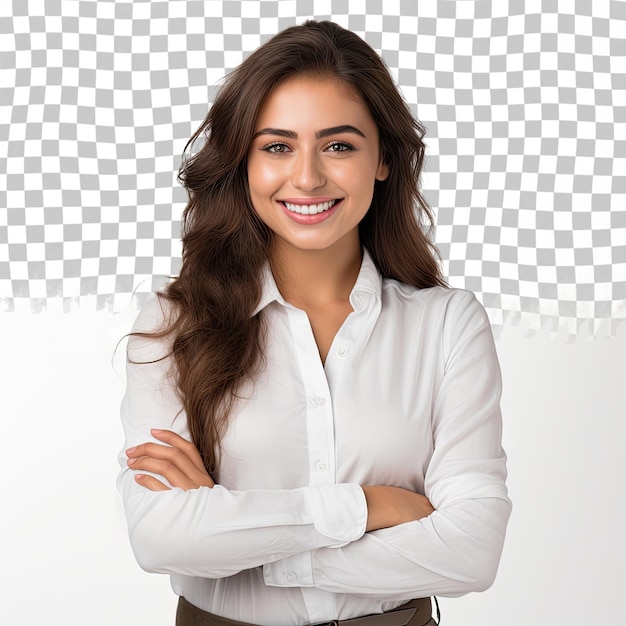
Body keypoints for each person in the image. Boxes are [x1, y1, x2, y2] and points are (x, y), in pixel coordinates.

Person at [118, 20, 511, 626]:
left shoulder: (447, 327)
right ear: (242, 162)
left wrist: (241, 535)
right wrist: (368, 505)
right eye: (277, 146)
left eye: (339, 145)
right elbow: (162, 539)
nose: (306, 178)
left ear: (382, 158)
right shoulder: (175, 325)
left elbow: (472, 551)